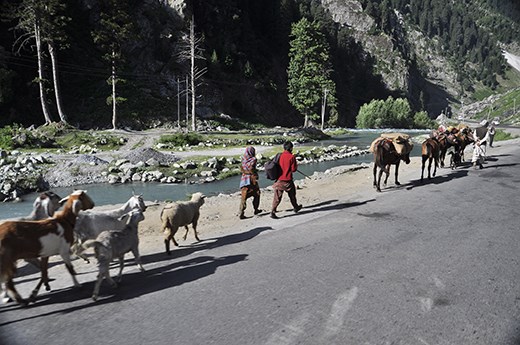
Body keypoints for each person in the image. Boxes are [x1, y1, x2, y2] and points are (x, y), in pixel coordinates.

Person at [270, 141, 302, 219]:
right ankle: (295, 207)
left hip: (279, 180)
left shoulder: (279, 155)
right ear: (291, 148)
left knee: (277, 197)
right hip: (288, 180)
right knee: (292, 195)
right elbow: (293, 169)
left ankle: (273, 211)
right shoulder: (292, 157)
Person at [238, 146, 262, 219]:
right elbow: (252, 169)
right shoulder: (253, 159)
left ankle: (241, 212)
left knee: (243, 197)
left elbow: (242, 168)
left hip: (244, 180)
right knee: (257, 194)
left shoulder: (243, 159)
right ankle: (256, 209)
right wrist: (255, 175)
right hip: (251, 180)